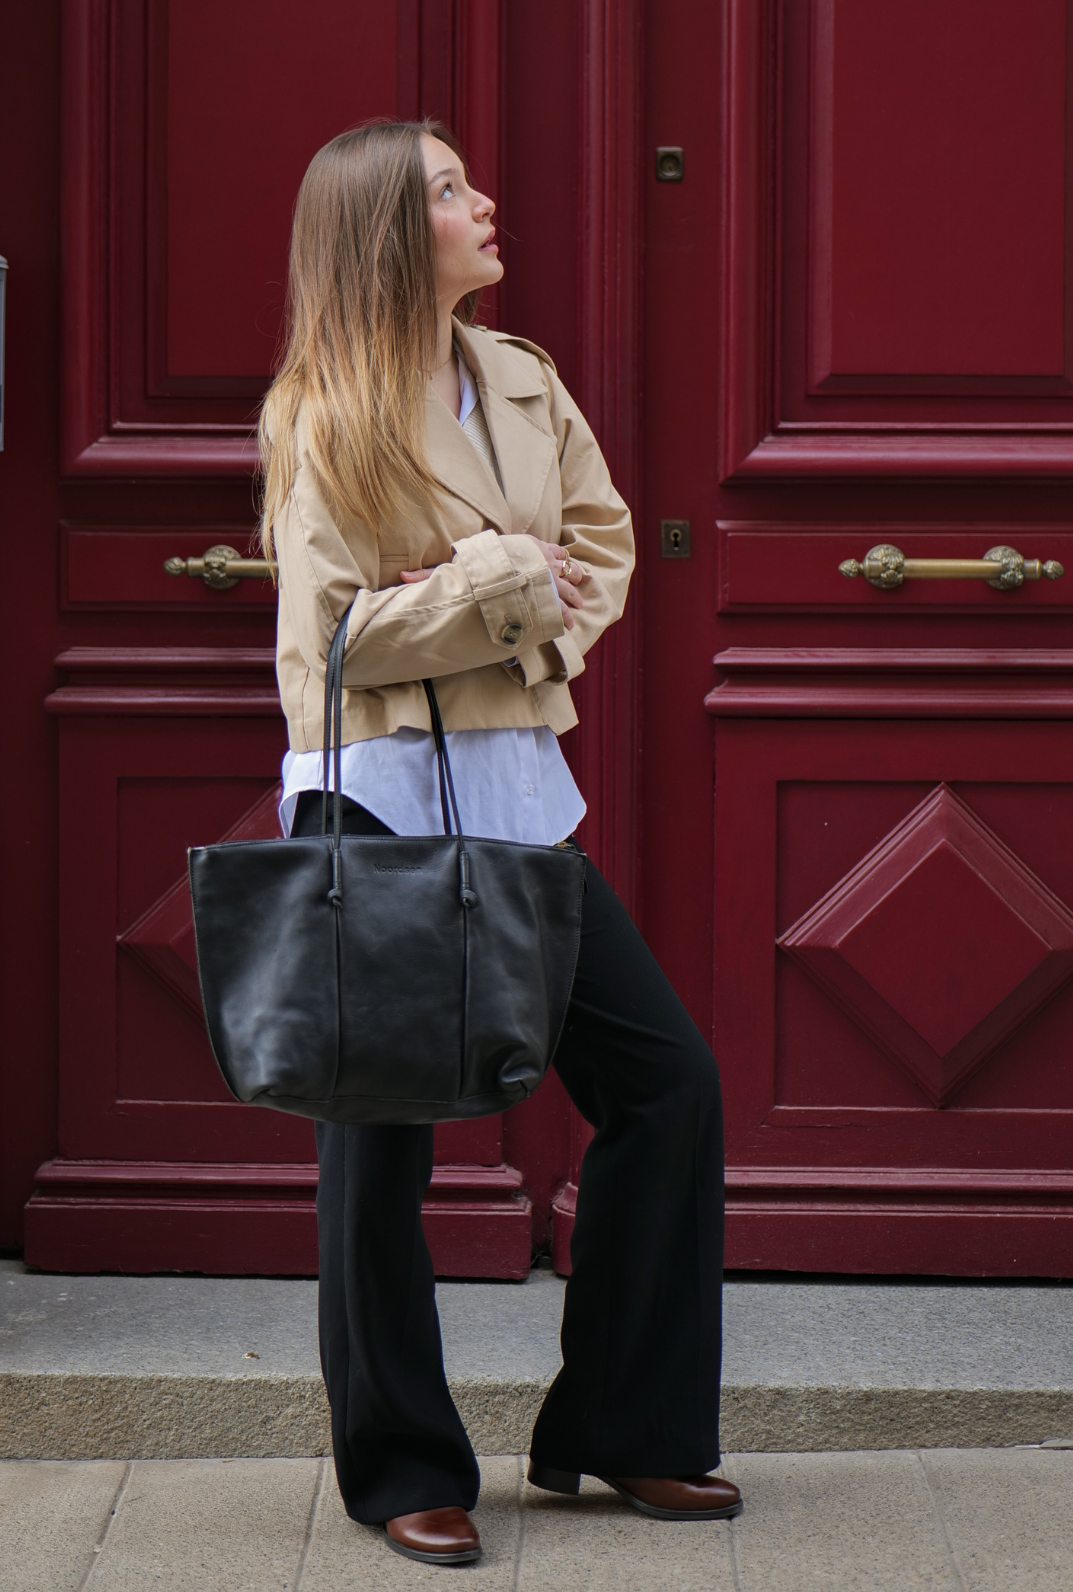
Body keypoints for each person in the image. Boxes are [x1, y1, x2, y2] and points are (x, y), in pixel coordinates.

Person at [258, 120, 740, 1567]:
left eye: (471, 178)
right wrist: (506, 575)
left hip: (523, 793)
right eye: (452, 190)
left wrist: (496, 590)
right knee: (379, 1148)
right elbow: (335, 639)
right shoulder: (323, 411)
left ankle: (626, 1430)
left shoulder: (524, 380)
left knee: (669, 1087)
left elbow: (594, 555)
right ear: (393, 234)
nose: (485, 201)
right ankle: (403, 1462)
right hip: (382, 800)